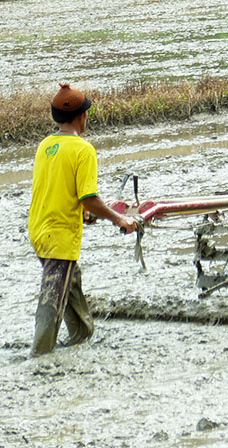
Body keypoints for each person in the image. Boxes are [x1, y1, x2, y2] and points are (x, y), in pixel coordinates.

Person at [27, 82, 138, 356]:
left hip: (39, 229)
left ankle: (81, 336)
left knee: (71, 282)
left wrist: (83, 211)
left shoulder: (45, 145)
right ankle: (39, 357)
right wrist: (119, 219)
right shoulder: (83, 149)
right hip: (60, 236)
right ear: (81, 116)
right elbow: (89, 197)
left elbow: (60, 188)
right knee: (52, 300)